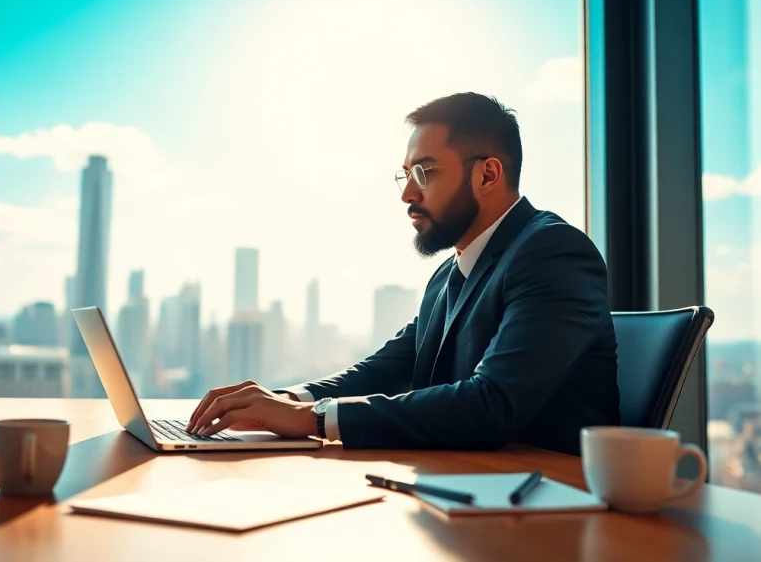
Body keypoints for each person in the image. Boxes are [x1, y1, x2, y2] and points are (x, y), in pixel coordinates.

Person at [187, 92, 619, 455]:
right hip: (464, 485)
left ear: (487, 174)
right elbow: (385, 370)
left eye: (424, 172)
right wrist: (286, 400)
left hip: (549, 501)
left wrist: (312, 419)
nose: (408, 193)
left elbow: (492, 404)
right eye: (406, 174)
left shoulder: (553, 253)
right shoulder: (449, 274)